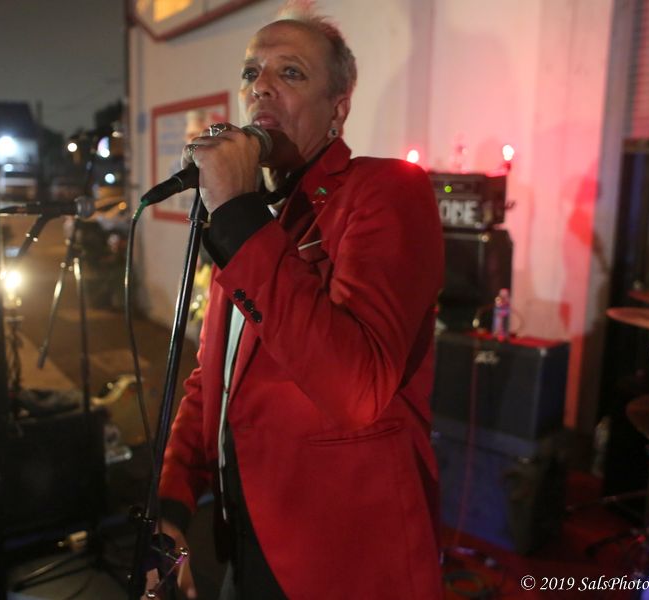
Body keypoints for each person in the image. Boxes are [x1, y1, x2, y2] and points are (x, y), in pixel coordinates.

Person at [156, 3, 445, 599]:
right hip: (244, 538)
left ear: (337, 108)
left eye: (290, 72)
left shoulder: (385, 191)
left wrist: (238, 217)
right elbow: (214, 379)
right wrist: (172, 502)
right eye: (250, 72)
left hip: (344, 561)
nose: (259, 86)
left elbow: (357, 389)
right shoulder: (250, 218)